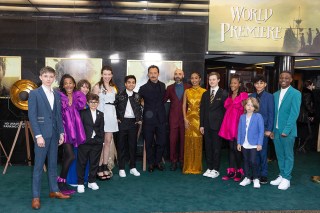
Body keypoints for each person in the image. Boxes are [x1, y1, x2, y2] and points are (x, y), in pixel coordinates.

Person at [28, 66, 70, 210]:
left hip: (54, 135)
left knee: (53, 165)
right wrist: (38, 136)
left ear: (54, 78)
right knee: (39, 167)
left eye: (51, 77)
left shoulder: (57, 94)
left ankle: (54, 190)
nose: (48, 79)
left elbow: (58, 115)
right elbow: (32, 116)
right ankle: (35, 197)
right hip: (42, 136)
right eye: (46, 76)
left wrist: (61, 133)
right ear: (40, 77)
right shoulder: (34, 93)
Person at [270, 71, 301, 190]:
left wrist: (286, 130)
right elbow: (274, 114)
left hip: (287, 131)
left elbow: (294, 114)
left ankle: (287, 178)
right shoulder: (275, 94)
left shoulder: (295, 93)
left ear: (291, 79)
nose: (283, 79)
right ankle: (282, 175)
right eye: (281, 77)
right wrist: (273, 130)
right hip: (276, 131)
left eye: (286, 78)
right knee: (280, 155)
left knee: (288, 155)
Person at [58, 74, 87, 194]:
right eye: (66, 83)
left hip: (75, 129)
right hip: (64, 129)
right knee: (70, 156)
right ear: (63, 85)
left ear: (74, 84)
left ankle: (62, 181)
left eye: (70, 83)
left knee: (68, 156)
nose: (68, 85)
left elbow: (81, 106)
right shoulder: (59, 95)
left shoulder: (78, 95)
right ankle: (61, 181)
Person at [219, 74, 248, 182]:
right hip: (228, 125)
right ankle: (231, 171)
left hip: (238, 125)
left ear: (239, 84)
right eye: (231, 83)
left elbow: (246, 111)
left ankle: (239, 172)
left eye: (235, 83)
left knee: (237, 149)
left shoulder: (244, 95)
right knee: (231, 149)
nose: (232, 84)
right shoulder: (229, 95)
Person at [139, 65, 166, 172]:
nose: (153, 75)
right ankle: (150, 163)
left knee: (161, 142)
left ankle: (158, 161)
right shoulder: (143, 88)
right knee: (149, 142)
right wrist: (144, 105)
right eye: (151, 73)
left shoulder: (163, 85)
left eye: (155, 73)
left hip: (161, 118)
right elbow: (138, 100)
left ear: (158, 74)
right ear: (148, 74)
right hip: (148, 120)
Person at [200, 72, 228, 178]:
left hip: (218, 126)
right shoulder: (205, 94)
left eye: (214, 79)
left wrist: (224, 126)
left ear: (218, 80)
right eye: (210, 79)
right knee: (208, 148)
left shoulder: (223, 93)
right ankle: (210, 167)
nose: (211, 81)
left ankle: (216, 169)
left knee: (216, 148)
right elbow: (202, 110)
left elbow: (225, 112)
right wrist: (201, 125)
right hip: (206, 125)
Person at [92, 65, 119, 179]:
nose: (107, 76)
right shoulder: (97, 87)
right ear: (102, 74)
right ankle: (97, 167)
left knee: (108, 141)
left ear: (112, 75)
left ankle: (104, 166)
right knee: (100, 143)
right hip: (100, 116)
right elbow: (92, 103)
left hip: (111, 116)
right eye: (105, 74)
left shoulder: (113, 87)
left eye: (109, 74)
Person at [114, 75, 142, 177]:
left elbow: (140, 108)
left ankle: (132, 167)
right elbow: (114, 106)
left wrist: (139, 119)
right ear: (125, 84)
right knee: (121, 145)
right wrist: (116, 117)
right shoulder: (119, 94)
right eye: (129, 82)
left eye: (133, 82)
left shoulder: (137, 95)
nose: (131, 84)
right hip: (122, 122)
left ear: (135, 84)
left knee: (133, 145)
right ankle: (121, 168)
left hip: (133, 123)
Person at [164, 69, 191, 171]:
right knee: (172, 140)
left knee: (184, 140)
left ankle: (182, 160)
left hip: (185, 118)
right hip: (173, 118)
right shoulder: (169, 88)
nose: (177, 75)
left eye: (179, 74)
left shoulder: (189, 87)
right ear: (173, 76)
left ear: (183, 75)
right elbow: (163, 100)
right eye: (176, 74)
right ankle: (173, 161)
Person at [77, 93, 104, 193]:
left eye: (96, 102)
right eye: (91, 102)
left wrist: (100, 141)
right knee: (82, 163)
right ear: (88, 103)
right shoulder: (83, 113)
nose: (93, 104)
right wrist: (82, 140)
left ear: (98, 103)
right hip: (84, 142)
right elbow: (79, 128)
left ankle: (91, 181)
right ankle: (80, 183)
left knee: (94, 163)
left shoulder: (101, 114)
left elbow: (101, 129)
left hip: (96, 143)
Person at [250, 75, 274, 184]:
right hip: (252, 130)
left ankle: (263, 174)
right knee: (253, 153)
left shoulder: (270, 97)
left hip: (264, 130)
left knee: (262, 152)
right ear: (254, 85)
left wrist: (269, 129)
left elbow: (271, 114)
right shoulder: (251, 96)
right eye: (256, 83)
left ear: (265, 84)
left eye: (261, 83)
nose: (259, 85)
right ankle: (256, 174)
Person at [237, 97, 264, 188]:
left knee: (253, 161)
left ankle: (256, 178)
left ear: (255, 108)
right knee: (245, 161)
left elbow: (261, 131)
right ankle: (247, 177)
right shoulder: (242, 117)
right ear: (245, 106)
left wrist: (260, 143)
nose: (249, 107)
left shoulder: (258, 116)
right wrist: (239, 143)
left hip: (254, 144)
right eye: (248, 105)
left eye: (252, 106)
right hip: (244, 143)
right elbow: (240, 130)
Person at [182, 72, 206, 174]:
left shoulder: (204, 92)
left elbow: (205, 108)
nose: (194, 80)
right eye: (192, 78)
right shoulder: (187, 91)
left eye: (196, 78)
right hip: (189, 120)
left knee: (198, 143)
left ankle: (196, 167)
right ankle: (188, 166)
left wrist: (203, 123)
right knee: (188, 142)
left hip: (199, 120)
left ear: (199, 79)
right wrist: (185, 119)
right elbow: (183, 106)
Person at [297, 80, 315, 152]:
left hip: (301, 115)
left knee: (302, 132)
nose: (313, 86)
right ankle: (301, 147)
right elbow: (307, 105)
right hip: (305, 116)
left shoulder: (301, 92)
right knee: (307, 132)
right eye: (312, 85)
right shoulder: (308, 93)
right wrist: (312, 113)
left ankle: (300, 146)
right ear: (309, 85)